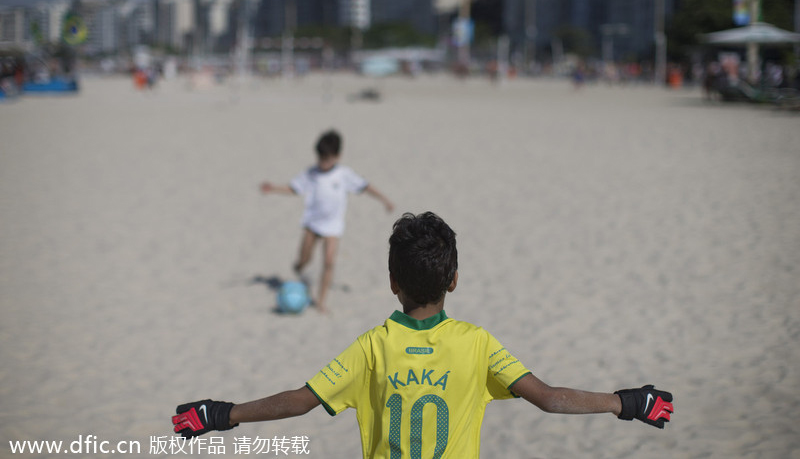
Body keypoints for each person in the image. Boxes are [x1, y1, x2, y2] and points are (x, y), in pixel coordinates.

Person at [173, 212, 674, 457]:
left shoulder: (372, 347)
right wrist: (627, 403)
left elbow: (301, 401)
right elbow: (549, 399)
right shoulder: (477, 344)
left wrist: (221, 415)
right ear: (453, 280)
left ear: (392, 282)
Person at [260, 129, 394, 312]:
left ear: (337, 156)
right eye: (320, 158)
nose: (323, 163)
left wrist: (384, 200)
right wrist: (273, 188)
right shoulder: (311, 173)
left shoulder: (344, 174)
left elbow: (366, 186)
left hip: (333, 226)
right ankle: (299, 267)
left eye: (327, 159)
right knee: (304, 259)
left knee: (329, 262)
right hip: (312, 224)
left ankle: (321, 302)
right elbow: (293, 188)